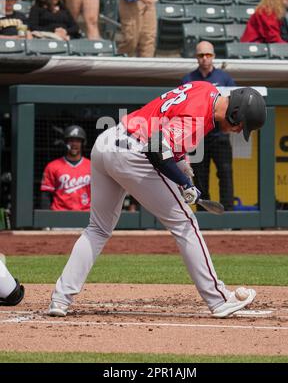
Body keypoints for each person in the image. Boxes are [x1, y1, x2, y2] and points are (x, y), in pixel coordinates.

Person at [48, 81, 266, 318]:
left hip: (107, 143)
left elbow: (168, 117)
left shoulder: (205, 88)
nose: (237, 131)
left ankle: (60, 299)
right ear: (235, 114)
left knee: (98, 229)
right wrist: (183, 183)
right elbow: (155, 149)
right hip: (133, 153)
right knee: (185, 223)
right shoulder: (199, 118)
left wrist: (181, 163)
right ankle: (219, 299)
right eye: (240, 126)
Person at [181, 41, 235, 211]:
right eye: (201, 55)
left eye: (208, 55)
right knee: (200, 177)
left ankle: (228, 214)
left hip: (219, 136)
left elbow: (233, 105)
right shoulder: (188, 79)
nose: (205, 58)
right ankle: (205, 213)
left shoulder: (224, 78)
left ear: (214, 56)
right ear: (196, 57)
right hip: (198, 137)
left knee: (225, 173)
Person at [40, 125, 91, 211]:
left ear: (83, 143)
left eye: (78, 141)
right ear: (65, 143)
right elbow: (46, 195)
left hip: (86, 215)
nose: (74, 144)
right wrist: (46, 221)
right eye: (71, 141)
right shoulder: (52, 166)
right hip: (59, 216)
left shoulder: (92, 166)